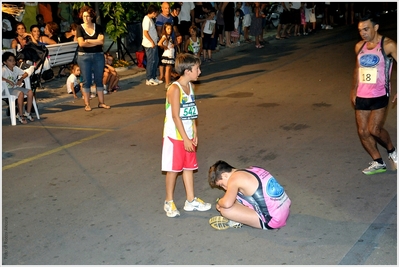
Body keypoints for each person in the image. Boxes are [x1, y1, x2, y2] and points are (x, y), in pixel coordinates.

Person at [162, 53, 211, 218]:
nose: (200, 72)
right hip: (175, 137)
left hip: (187, 135)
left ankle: (190, 200)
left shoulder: (190, 86)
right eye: (197, 69)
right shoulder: (174, 89)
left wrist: (195, 132)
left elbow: (192, 111)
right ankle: (169, 201)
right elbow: (175, 116)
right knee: (173, 170)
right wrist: (184, 138)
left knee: (189, 168)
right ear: (188, 71)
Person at [351, 13, 397, 175]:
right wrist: (353, 90)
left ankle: (391, 150)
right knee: (363, 131)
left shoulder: (388, 45)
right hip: (362, 95)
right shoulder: (359, 47)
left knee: (374, 129)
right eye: (360, 30)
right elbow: (358, 69)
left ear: (376, 27)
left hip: (379, 94)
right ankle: (378, 161)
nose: (362, 33)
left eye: (366, 29)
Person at [208, 160, 291, 230]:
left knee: (225, 209)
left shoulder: (234, 179)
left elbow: (227, 204)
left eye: (221, 184)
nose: (224, 188)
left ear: (224, 175)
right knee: (235, 196)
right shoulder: (252, 169)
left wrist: (220, 202)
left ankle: (237, 219)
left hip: (273, 220)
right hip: (285, 209)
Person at [76, 5, 110, 112]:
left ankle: (101, 102)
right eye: (84, 16)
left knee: (99, 79)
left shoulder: (98, 27)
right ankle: (87, 104)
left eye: (88, 16)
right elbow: (81, 43)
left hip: (98, 55)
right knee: (86, 80)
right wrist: (95, 41)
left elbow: (101, 41)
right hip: (84, 57)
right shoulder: (79, 28)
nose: (86, 18)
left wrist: (88, 41)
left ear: (92, 17)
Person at [2, 51, 35, 124]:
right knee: (20, 94)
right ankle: (20, 115)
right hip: (5, 89)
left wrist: (20, 79)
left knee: (30, 92)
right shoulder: (3, 69)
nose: (13, 62)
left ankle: (28, 112)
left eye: (13, 60)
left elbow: (25, 73)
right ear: (5, 62)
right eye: (10, 61)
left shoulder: (15, 68)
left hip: (14, 88)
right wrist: (7, 80)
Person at [142, 4, 160, 86]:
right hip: (149, 45)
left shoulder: (150, 19)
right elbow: (145, 33)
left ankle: (154, 76)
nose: (156, 15)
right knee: (151, 61)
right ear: (153, 12)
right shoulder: (146, 20)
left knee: (155, 60)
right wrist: (152, 41)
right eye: (156, 13)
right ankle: (149, 78)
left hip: (153, 44)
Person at [156, 2, 172, 85]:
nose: (167, 10)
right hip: (164, 41)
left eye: (168, 8)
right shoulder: (160, 18)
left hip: (170, 41)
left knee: (169, 61)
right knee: (162, 60)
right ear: (162, 9)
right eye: (166, 8)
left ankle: (167, 75)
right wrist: (163, 41)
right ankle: (162, 75)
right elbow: (159, 30)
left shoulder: (170, 17)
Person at [158, 23, 175, 89]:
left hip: (171, 53)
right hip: (167, 54)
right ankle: (167, 83)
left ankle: (169, 81)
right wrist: (164, 47)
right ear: (165, 29)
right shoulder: (164, 36)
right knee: (167, 69)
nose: (169, 30)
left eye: (170, 29)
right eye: (168, 29)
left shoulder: (169, 36)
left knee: (169, 68)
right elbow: (159, 43)